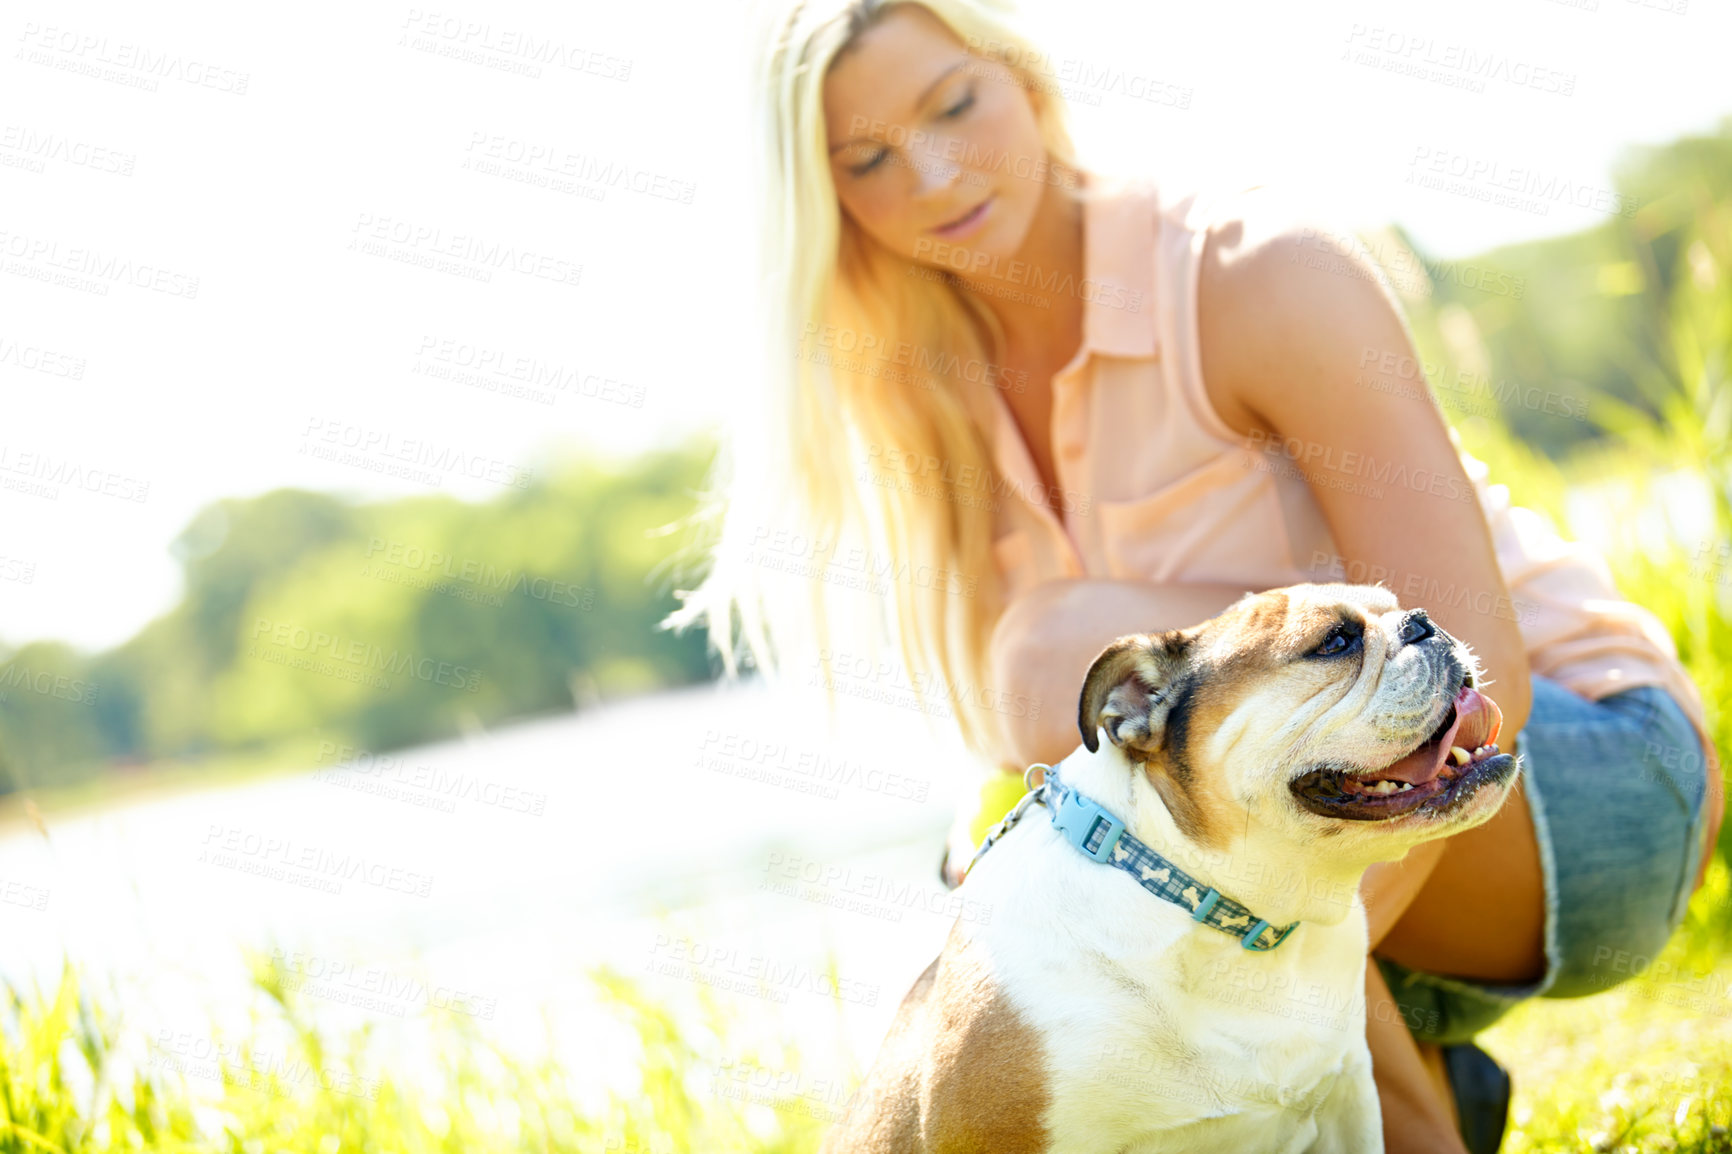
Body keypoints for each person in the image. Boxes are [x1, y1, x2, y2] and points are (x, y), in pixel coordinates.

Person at [670, 1, 1723, 1150]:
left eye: (955, 105)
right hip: (1331, 828)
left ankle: (1418, 1121)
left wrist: (1266, 967)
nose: (932, 174)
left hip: (1574, 776)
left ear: (1019, 74)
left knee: (1046, 660)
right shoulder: (917, 398)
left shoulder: (1250, 272)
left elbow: (1481, 662)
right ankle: (1392, 1087)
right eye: (867, 159)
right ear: (829, 198)